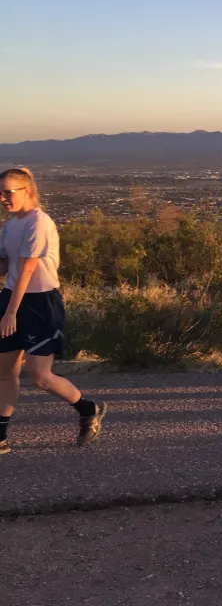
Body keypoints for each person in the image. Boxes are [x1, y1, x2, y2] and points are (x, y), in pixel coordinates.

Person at [0, 167, 107, 455]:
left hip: (40, 304)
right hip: (11, 297)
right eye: (0, 193)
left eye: (8, 192)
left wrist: (10, 313)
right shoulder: (10, 226)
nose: (3, 198)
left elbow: (27, 269)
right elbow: (6, 265)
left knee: (40, 376)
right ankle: (1, 438)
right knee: (4, 371)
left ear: (27, 191)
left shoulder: (40, 222)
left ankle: (89, 409)